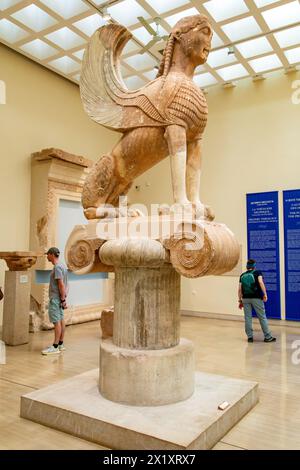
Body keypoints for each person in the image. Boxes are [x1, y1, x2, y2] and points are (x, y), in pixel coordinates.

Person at [238, 259, 276, 343]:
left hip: (245, 299)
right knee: (262, 317)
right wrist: (265, 294)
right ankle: (268, 337)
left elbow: (240, 289)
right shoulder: (257, 273)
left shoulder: (242, 275)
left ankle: (250, 337)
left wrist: (240, 300)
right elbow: (260, 282)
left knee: (247, 318)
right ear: (254, 266)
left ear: (247, 267)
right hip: (256, 298)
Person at [42, 247, 69, 355]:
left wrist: (62, 299)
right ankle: (61, 344)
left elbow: (61, 284)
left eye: (47, 254)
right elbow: (68, 284)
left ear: (52, 254)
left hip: (56, 299)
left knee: (56, 322)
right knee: (61, 320)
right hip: (60, 298)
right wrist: (64, 298)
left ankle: (55, 346)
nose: (47, 256)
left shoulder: (57, 267)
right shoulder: (63, 266)